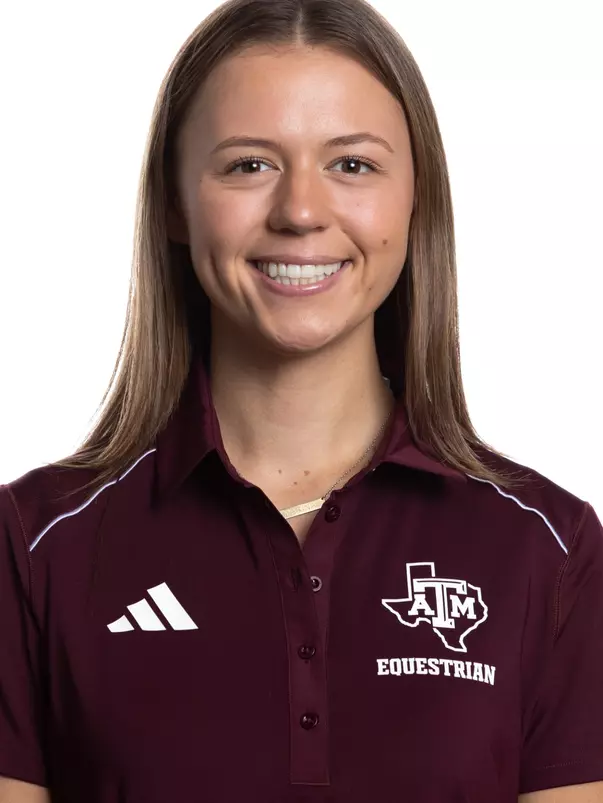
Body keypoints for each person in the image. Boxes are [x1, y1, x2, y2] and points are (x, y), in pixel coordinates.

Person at [1, 0, 602, 800]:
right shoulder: (33, 544)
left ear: (415, 197)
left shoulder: (548, 549)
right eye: (249, 164)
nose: (301, 212)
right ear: (175, 202)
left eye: (351, 164)